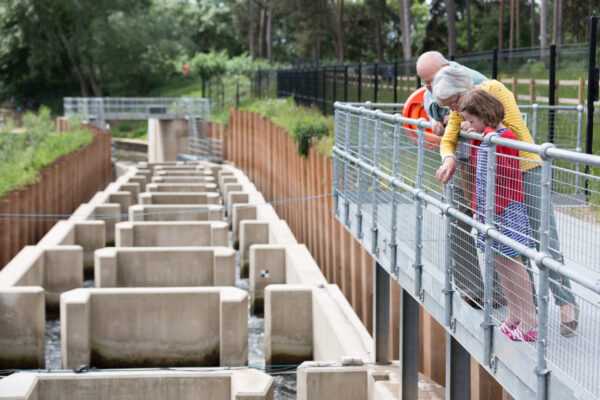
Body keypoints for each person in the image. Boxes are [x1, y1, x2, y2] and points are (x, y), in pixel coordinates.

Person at [433, 67, 580, 337]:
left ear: (463, 91)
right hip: (499, 181)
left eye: (453, 103)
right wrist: (449, 158)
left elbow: (509, 129)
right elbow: (449, 140)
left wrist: (479, 129)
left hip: (525, 170)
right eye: (449, 107)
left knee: (543, 236)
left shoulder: (493, 91)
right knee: (513, 247)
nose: (452, 110)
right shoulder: (459, 109)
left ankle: (566, 303)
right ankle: (528, 312)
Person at [416, 51, 507, 308]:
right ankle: (470, 287)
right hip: (458, 159)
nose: (430, 87)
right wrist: (435, 119)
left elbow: (493, 116)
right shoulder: (434, 89)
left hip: (480, 160)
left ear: (446, 67)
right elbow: (426, 101)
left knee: (489, 220)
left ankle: (500, 291)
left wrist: (468, 125)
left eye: (431, 81)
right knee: (458, 219)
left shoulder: (472, 81)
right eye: (425, 82)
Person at [459, 88, 538, 341]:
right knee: (498, 260)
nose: (469, 125)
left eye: (471, 120)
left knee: (513, 261)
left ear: (485, 115)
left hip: (506, 209)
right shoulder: (487, 137)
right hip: (489, 209)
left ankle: (530, 317)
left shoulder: (505, 137)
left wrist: (487, 135)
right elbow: (476, 160)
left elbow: (505, 168)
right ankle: (515, 311)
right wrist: (478, 136)